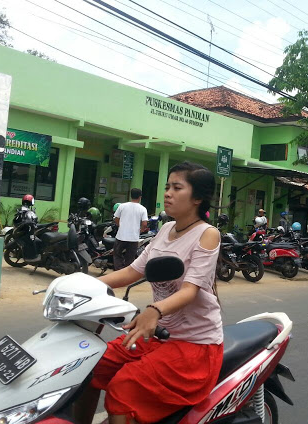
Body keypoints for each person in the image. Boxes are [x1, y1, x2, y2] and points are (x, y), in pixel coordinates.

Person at [75, 161, 223, 424]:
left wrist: (154, 310)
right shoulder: (166, 229)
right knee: (87, 366)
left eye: (177, 187)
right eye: (167, 187)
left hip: (194, 346)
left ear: (197, 198)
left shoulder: (207, 234)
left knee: (122, 389)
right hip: (157, 337)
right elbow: (133, 271)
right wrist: (82, 283)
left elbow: (189, 291)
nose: (167, 193)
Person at [113, 188, 149, 270]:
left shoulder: (122, 206)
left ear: (130, 196)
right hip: (133, 238)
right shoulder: (142, 209)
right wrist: (140, 230)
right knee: (130, 258)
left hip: (121, 236)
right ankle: (126, 274)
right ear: (140, 197)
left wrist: (120, 225)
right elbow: (144, 224)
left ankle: (119, 271)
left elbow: (116, 218)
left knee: (117, 254)